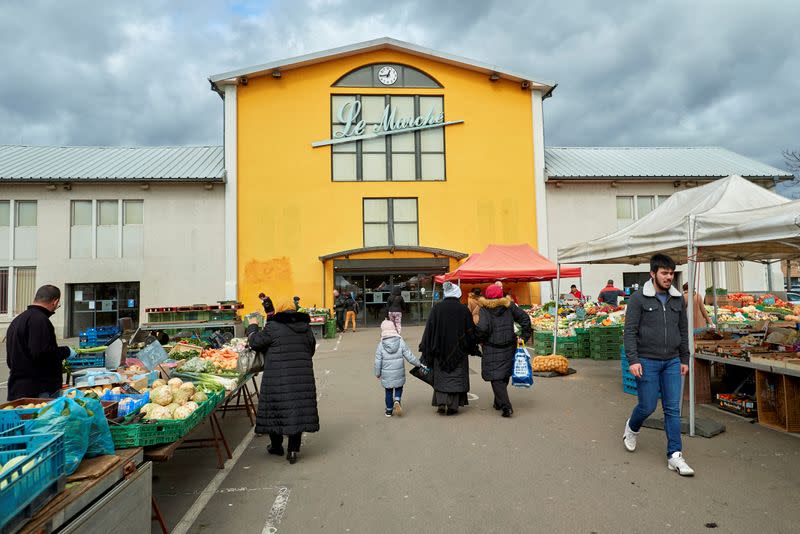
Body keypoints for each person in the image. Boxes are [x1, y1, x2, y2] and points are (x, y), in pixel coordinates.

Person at [622, 254, 694, 476]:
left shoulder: (677, 300)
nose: (668, 277)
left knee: (672, 408)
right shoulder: (638, 299)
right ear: (653, 274)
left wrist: (684, 358)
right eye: (664, 273)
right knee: (648, 406)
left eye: (671, 273)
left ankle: (675, 455)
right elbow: (630, 332)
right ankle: (632, 428)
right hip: (646, 360)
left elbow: (683, 330)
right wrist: (633, 360)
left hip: (672, 361)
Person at [247, 299, 319, 465]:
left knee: (275, 410)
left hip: (276, 377)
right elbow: (311, 349)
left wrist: (252, 327)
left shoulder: (273, 327)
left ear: (279, 311)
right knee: (297, 412)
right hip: (302, 377)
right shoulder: (305, 327)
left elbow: (255, 343)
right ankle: (293, 451)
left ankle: (276, 446)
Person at [418, 282, 478, 415]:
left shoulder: (437, 308)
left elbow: (429, 330)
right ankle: (453, 406)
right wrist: (473, 346)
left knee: (441, 377)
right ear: (457, 294)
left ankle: (441, 403)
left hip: (439, 350)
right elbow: (470, 332)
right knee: (456, 376)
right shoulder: (463, 309)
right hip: (459, 351)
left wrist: (426, 349)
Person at [6, 285, 75, 400]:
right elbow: (42, 353)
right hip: (38, 390)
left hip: (17, 390)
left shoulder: (17, 320)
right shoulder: (40, 320)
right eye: (57, 305)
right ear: (55, 302)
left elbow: (10, 361)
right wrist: (66, 351)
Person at [476, 284, 532, 417]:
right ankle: (498, 401)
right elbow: (525, 319)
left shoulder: (484, 309)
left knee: (496, 377)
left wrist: (478, 339)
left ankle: (506, 407)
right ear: (501, 295)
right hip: (509, 346)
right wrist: (524, 336)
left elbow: (483, 329)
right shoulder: (510, 306)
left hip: (491, 347)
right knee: (504, 374)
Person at [374, 319, 422, 417]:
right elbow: (409, 355)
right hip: (399, 373)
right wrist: (418, 364)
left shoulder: (381, 345)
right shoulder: (400, 341)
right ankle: (397, 400)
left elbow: (377, 361)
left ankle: (389, 410)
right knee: (399, 387)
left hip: (387, 375)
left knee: (388, 391)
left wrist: (377, 373)